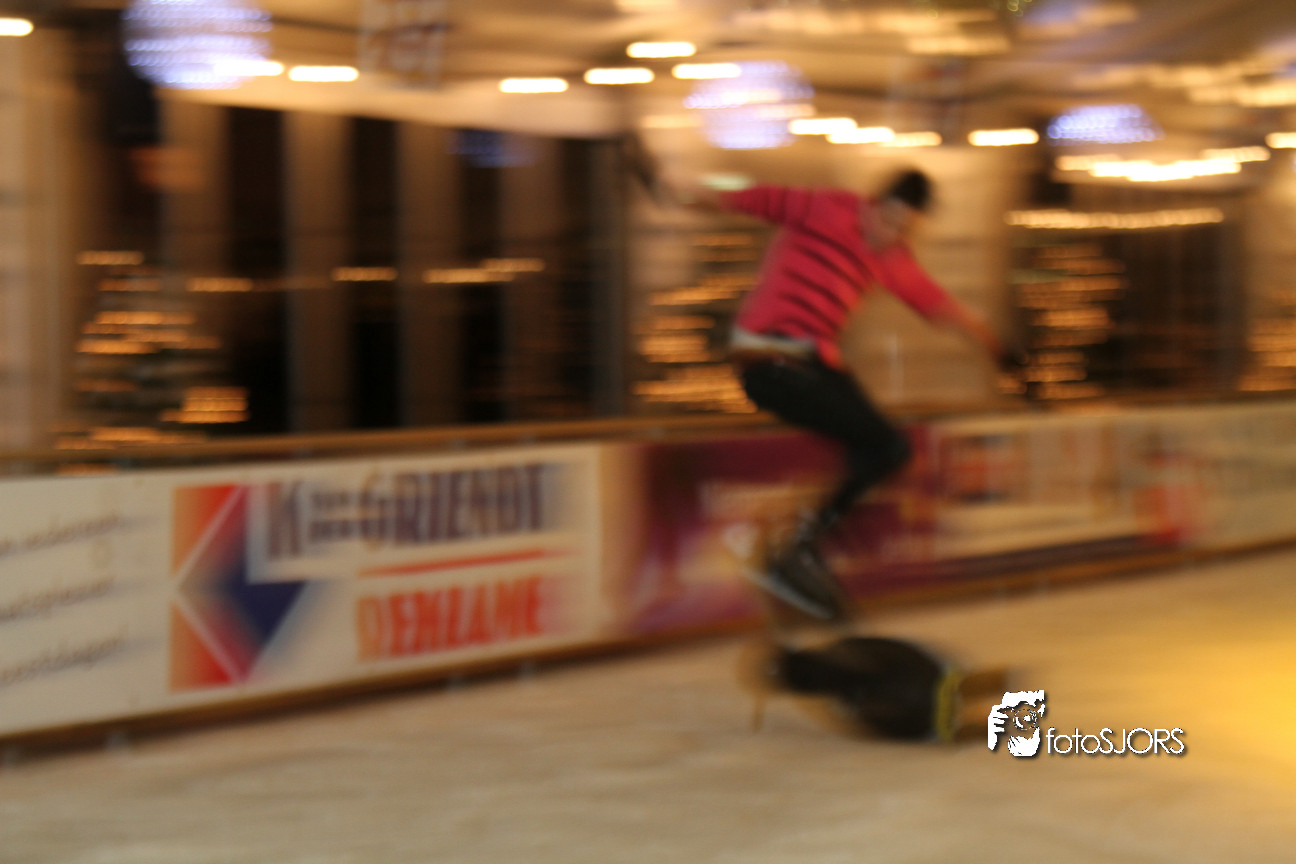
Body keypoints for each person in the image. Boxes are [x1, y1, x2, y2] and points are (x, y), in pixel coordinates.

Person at [668, 168, 1010, 621]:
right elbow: (753, 199)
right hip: (766, 358)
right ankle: (795, 549)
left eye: (902, 229)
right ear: (872, 203)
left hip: (813, 364)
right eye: (886, 220)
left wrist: (994, 345)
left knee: (890, 450)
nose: (887, 235)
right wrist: (688, 194)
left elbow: (935, 302)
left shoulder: (891, 257)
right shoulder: (824, 208)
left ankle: (803, 546)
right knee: (881, 444)